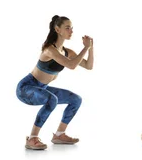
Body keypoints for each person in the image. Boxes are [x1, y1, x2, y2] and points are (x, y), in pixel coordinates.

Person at [16, 15, 93, 150]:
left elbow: (88, 66)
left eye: (72, 28)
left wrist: (91, 48)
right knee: (52, 99)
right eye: (67, 28)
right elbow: (71, 65)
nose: (71, 31)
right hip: (26, 88)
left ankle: (59, 134)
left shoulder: (67, 52)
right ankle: (32, 138)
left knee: (76, 99)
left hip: (42, 88)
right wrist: (85, 48)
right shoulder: (49, 49)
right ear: (57, 29)